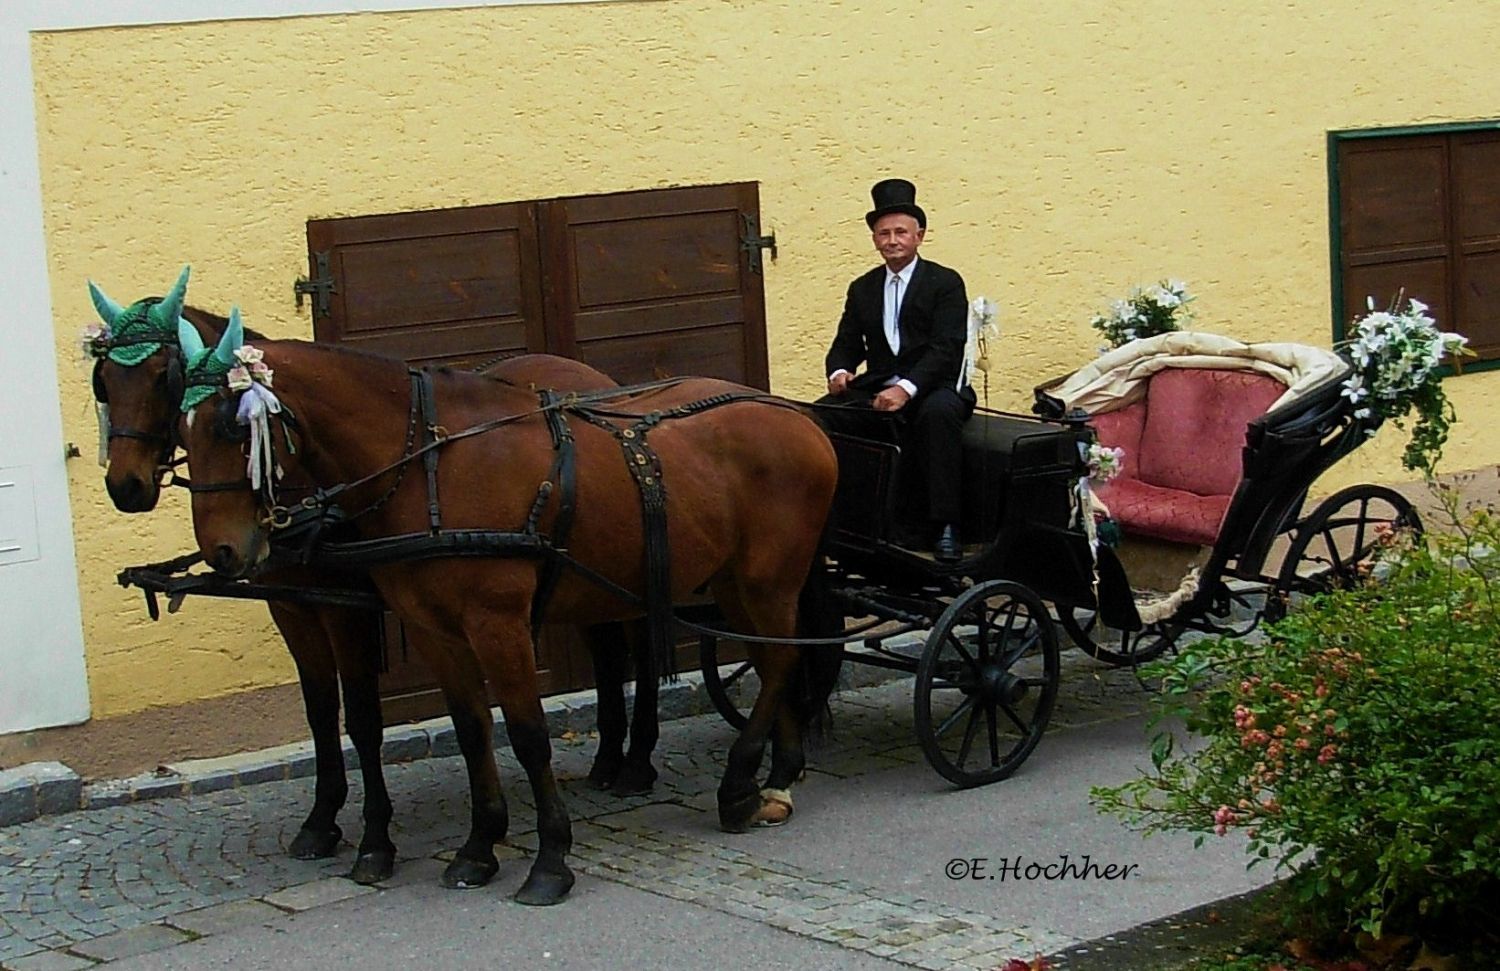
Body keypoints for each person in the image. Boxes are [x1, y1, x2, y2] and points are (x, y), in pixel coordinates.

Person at [818, 178, 976, 562]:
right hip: (881, 386)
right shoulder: (863, 288)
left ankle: (945, 526)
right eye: (883, 233)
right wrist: (839, 370)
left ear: (919, 236)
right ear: (874, 239)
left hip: (936, 385)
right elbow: (847, 341)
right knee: (822, 416)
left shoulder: (945, 282)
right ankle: (850, 521)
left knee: (937, 416)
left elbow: (945, 349)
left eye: (900, 232)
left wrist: (906, 389)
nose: (892, 240)